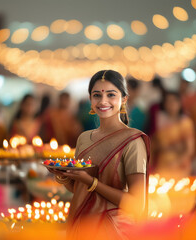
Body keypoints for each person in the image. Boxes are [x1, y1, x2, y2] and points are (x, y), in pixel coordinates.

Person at [47, 70, 150, 239]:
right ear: (90, 100)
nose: (103, 101)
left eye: (111, 95)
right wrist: (64, 176)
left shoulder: (133, 142)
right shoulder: (84, 138)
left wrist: (91, 182)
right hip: (82, 226)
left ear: (124, 99)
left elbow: (137, 205)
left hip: (113, 231)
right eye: (96, 95)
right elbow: (81, 191)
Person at [151, 91, 195, 178]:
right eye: (168, 101)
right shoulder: (160, 121)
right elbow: (154, 144)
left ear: (179, 103)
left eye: (173, 101)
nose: (170, 104)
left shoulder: (185, 123)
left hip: (180, 166)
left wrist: (177, 162)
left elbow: (190, 149)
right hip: (162, 164)